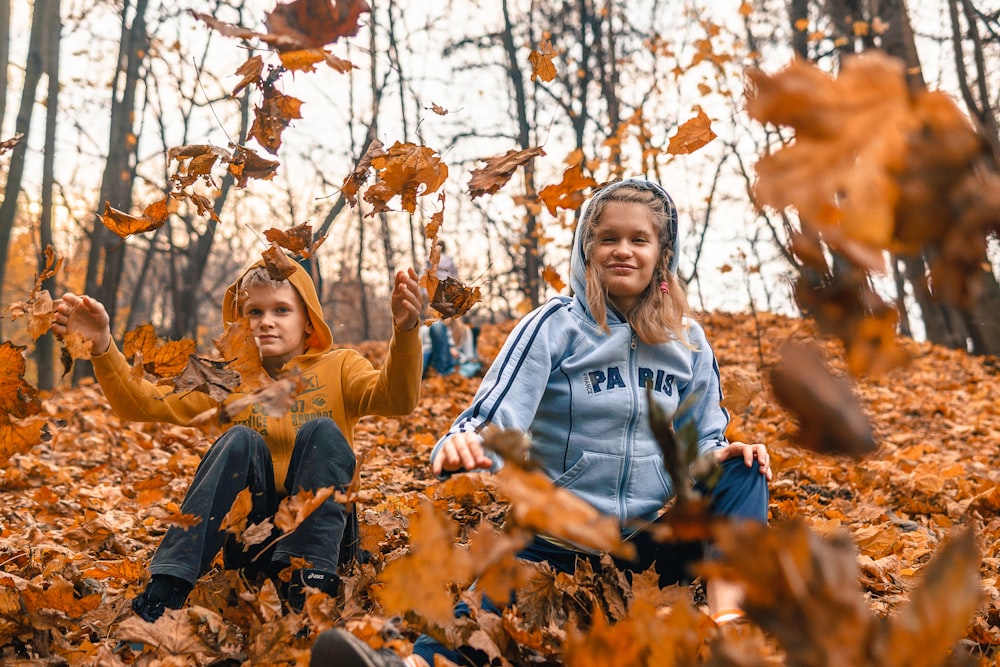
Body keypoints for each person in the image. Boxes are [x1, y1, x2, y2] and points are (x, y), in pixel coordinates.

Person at [311, 178, 771, 666]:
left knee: (746, 468)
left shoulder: (688, 340)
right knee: (485, 615)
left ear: (662, 253)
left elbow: (703, 441)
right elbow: (492, 415)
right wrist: (463, 442)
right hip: (555, 546)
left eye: (639, 240)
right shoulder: (554, 326)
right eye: (607, 238)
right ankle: (411, 665)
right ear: (586, 249)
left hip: (646, 550)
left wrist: (719, 454)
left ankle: (730, 630)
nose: (623, 250)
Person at [50, 260, 424, 622]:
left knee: (322, 433)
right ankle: (165, 590)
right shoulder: (223, 378)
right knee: (239, 438)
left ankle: (310, 592)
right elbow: (143, 402)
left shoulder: (341, 366)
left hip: (327, 541)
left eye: (281, 310)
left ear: (308, 319)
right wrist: (101, 346)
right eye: (253, 312)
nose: (266, 321)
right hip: (251, 539)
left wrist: (405, 331)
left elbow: (397, 399)